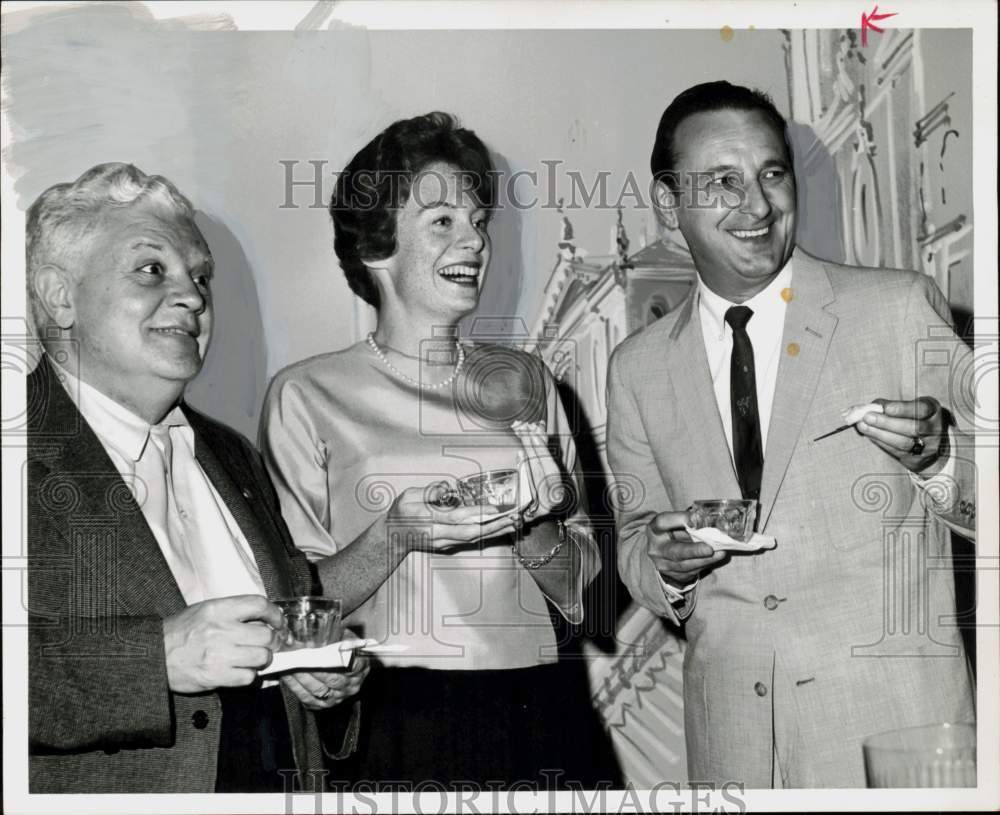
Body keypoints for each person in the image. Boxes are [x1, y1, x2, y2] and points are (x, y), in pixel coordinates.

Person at [606, 81, 977, 788]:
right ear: (666, 206)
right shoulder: (636, 369)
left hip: (895, 743)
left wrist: (940, 457)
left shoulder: (896, 308)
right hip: (735, 761)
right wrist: (663, 564)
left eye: (772, 174)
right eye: (723, 181)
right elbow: (634, 541)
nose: (758, 205)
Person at [260, 112, 620, 789]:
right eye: (443, 221)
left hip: (538, 708)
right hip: (389, 718)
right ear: (376, 248)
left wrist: (532, 523)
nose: (476, 240)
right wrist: (397, 532)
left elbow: (585, 597)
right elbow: (295, 602)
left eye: (479, 221)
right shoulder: (305, 394)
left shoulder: (529, 381)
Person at [25, 163, 366, 793]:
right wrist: (155, 660)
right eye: (152, 269)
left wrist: (321, 675)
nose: (193, 296)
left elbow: (289, 627)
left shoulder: (232, 453)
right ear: (59, 295)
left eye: (200, 276)